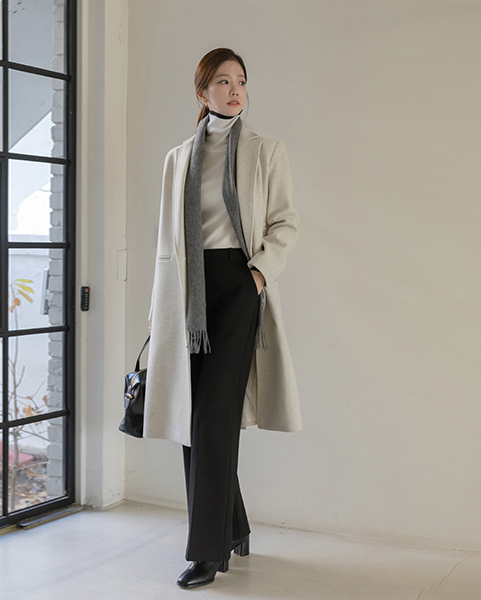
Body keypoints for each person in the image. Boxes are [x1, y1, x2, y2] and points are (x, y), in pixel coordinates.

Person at [144, 47, 302, 589]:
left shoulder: (266, 151)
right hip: (187, 293)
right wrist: (159, 312)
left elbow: (285, 223)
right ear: (202, 91)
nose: (235, 91)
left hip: (238, 285)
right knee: (192, 417)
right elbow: (166, 242)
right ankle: (233, 527)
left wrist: (256, 275)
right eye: (223, 82)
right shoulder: (178, 158)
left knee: (213, 418)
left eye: (241, 81)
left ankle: (208, 551)